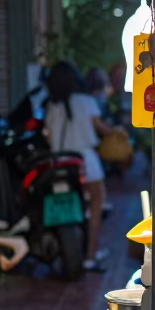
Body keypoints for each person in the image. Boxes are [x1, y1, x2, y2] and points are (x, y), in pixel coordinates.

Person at [45, 62, 111, 272]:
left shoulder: (51, 106)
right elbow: (100, 129)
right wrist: (116, 131)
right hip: (86, 163)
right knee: (96, 206)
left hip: (57, 164)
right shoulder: (87, 101)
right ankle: (90, 257)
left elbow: (47, 136)